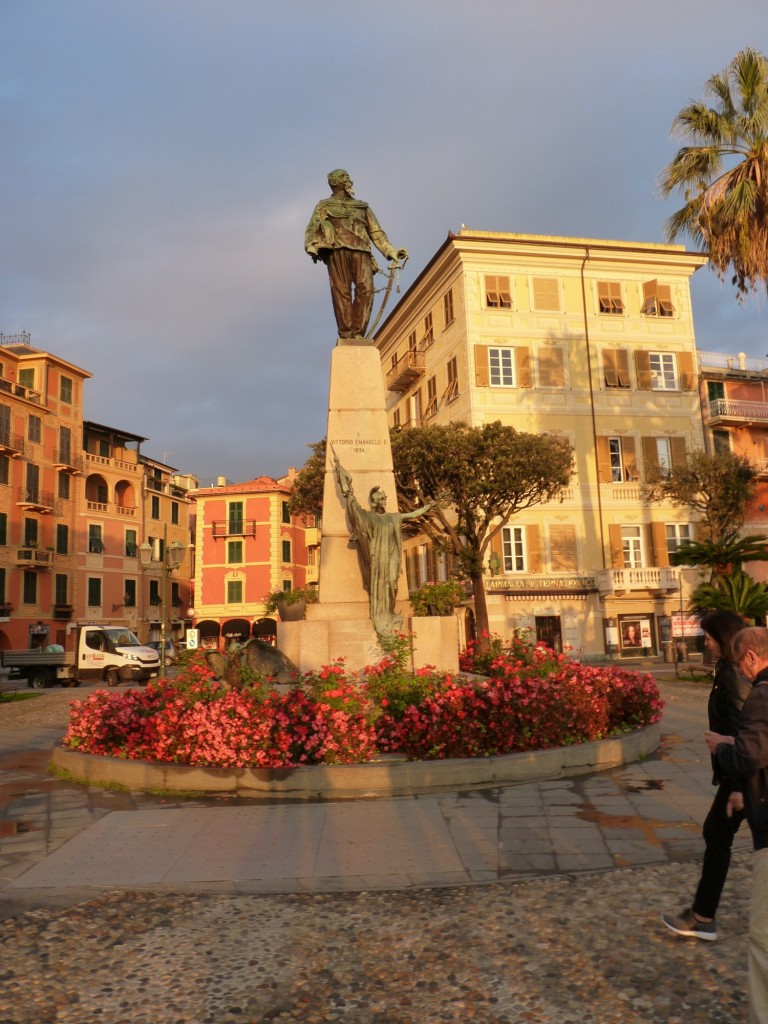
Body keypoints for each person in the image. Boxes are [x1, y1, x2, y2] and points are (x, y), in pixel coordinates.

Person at [662, 609, 748, 941]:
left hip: (742, 771)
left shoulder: (733, 672)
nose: (706, 643)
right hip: (739, 769)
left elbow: (745, 728)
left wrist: (738, 783)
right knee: (722, 834)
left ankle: (702, 917)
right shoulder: (729, 668)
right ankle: (703, 915)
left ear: (723, 639)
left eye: (709, 638)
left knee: (717, 833)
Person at [705, 626, 768, 1022]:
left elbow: (748, 755)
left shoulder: (762, 693)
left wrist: (722, 748)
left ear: (750, 657)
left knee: (763, 938)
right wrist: (745, 791)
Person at [332, 450, 432, 640]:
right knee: (383, 584)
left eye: (385, 499)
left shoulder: (392, 517)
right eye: (382, 499)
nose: (385, 501)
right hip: (378, 557)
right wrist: (349, 493)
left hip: (391, 556)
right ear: (375, 502)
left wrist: (427, 507)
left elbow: (411, 515)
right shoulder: (369, 517)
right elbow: (355, 510)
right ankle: (383, 614)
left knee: (393, 583)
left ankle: (389, 611)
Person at [305, 169, 408, 339]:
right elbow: (312, 228)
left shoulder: (362, 207)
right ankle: (346, 333)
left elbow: (376, 232)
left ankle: (358, 332)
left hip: (361, 249)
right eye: (343, 177)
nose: (348, 180)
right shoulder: (324, 206)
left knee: (366, 289)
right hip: (337, 249)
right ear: (334, 182)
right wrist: (313, 246)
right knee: (341, 291)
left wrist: (391, 251)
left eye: (347, 177)